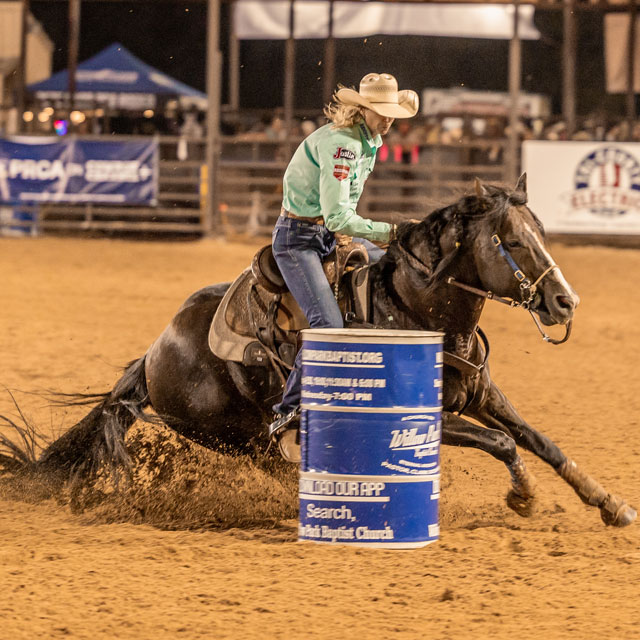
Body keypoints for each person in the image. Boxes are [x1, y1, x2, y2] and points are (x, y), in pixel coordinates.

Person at [268, 72, 419, 462]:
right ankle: (288, 415)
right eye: (381, 112)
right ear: (363, 109)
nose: (388, 120)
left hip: (325, 236)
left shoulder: (368, 140)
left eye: (391, 114)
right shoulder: (343, 147)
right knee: (328, 327)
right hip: (299, 239)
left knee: (400, 271)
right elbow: (337, 217)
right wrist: (390, 232)